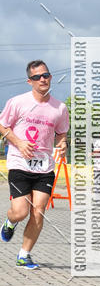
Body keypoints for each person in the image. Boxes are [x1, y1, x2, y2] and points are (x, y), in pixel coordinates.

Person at [0, 60, 69, 269]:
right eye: (38, 77)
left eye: (46, 75)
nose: (43, 79)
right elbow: (3, 126)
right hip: (20, 164)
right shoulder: (17, 102)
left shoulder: (60, 107)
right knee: (21, 212)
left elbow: (61, 132)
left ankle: (24, 255)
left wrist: (63, 143)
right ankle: (10, 222)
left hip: (45, 167)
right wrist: (19, 143)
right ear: (30, 81)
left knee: (38, 211)